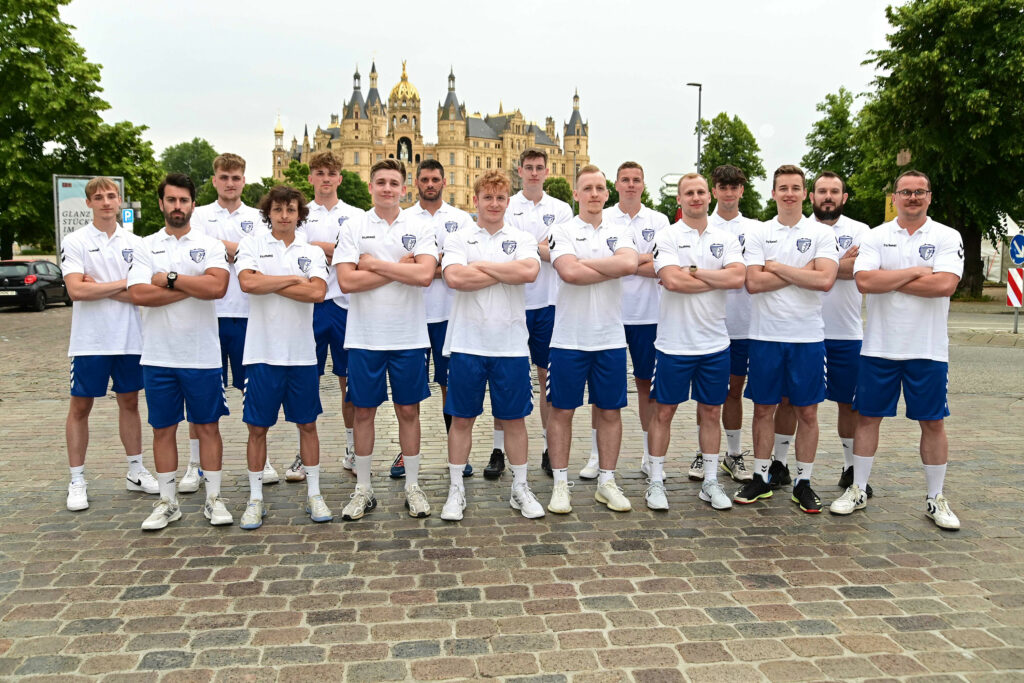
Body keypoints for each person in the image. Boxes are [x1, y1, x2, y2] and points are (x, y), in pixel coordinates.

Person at [830, 170, 964, 530]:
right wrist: (918, 272)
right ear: (895, 197)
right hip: (879, 347)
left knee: (932, 422)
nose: (913, 198)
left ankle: (935, 498)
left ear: (930, 197)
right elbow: (864, 281)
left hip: (928, 349)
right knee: (868, 418)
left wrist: (892, 280)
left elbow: (945, 285)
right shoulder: (876, 236)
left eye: (920, 192)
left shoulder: (946, 236)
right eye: (906, 192)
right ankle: (857, 489)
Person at [335, 159, 438, 520]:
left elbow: (425, 274)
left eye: (394, 183)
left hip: (408, 335)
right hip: (365, 336)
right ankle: (363, 488)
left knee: (409, 410)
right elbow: (347, 282)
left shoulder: (419, 226)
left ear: (404, 189)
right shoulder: (354, 226)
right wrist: (400, 268)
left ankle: (412, 486)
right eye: (381, 182)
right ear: (370, 187)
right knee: (363, 411)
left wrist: (374, 265)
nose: (388, 189)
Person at [127, 173, 231, 530]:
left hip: (201, 354)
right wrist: (193, 285)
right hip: (158, 355)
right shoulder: (145, 245)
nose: (177, 206)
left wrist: (169, 279)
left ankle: (214, 499)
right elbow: (139, 294)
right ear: (161, 203)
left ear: (192, 205)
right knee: (163, 429)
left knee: (207, 427)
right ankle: (168, 502)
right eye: (171, 200)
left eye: (183, 201)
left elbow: (218, 286)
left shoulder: (210, 243)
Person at [438, 170, 543, 520]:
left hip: (511, 345)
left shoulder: (522, 237)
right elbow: (454, 278)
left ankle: (521, 487)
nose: (494, 204)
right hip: (468, 343)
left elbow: (529, 273)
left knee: (514, 420)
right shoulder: (459, 238)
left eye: (500, 198)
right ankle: (456, 490)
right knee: (462, 420)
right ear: (476, 200)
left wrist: (481, 266)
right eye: (488, 197)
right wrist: (503, 269)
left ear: (507, 202)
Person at [733, 165, 838, 513]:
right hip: (765, 336)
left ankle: (803, 481)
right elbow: (753, 283)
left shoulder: (821, 233)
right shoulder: (760, 233)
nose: (789, 193)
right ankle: (761, 476)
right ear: (773, 193)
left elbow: (824, 281)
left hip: (807, 338)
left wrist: (775, 267)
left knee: (807, 411)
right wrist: (802, 272)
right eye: (783, 187)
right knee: (763, 408)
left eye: (796, 187)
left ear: (805, 193)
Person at [645, 174, 745, 511]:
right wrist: (711, 278)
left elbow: (737, 278)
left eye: (701, 191)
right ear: (679, 199)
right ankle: (656, 482)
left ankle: (711, 482)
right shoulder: (667, 236)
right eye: (689, 193)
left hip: (715, 342)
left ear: (709, 196)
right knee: (664, 412)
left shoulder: (725, 237)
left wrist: (695, 272)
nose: (697, 197)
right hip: (674, 343)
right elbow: (671, 281)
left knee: (711, 412)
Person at [235, 185, 331, 528]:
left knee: (307, 424)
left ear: (300, 213)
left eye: (291, 209)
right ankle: (255, 498)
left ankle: (315, 495)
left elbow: (318, 292)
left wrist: (271, 281)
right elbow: (248, 284)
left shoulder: (312, 250)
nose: (285, 215)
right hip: (262, 353)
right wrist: (293, 279)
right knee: (257, 428)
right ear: (269, 213)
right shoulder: (252, 245)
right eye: (278, 210)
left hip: (301, 355)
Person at [546, 165, 638, 514]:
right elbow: (568, 273)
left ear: (607, 193)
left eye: (600, 188)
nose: (595, 194)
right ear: (576, 193)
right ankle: (559, 484)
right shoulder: (562, 229)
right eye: (588, 188)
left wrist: (587, 263)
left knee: (611, 411)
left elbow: (629, 265)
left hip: (610, 338)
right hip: (569, 339)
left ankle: (607, 482)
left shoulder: (621, 229)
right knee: (562, 412)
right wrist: (607, 264)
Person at [61, 177, 156, 510]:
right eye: (98, 197)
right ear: (88, 203)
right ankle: (77, 479)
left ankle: (135, 470)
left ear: (120, 201)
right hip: (90, 340)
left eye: (111, 196)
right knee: (80, 407)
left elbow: (143, 294)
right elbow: (76, 291)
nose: (105, 201)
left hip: (130, 338)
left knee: (129, 403)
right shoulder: (75, 241)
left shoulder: (137, 243)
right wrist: (124, 285)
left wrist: (99, 285)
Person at [185, 153, 273, 492]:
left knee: (255, 392)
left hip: (250, 315)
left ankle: (261, 458)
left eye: (236, 177)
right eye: (224, 177)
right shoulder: (199, 215)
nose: (230, 183)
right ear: (214, 180)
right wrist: (240, 252)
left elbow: (263, 261)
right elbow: (195, 259)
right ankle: (196, 464)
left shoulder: (259, 217)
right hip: (206, 315)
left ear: (244, 181)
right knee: (201, 394)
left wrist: (218, 250)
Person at [582, 161, 668, 481]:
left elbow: (662, 265)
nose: (630, 185)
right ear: (614, 185)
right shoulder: (602, 219)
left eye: (636, 180)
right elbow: (594, 262)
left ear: (643, 185)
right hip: (610, 315)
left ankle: (648, 454)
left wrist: (622, 263)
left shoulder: (658, 221)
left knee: (647, 385)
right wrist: (636, 260)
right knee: (602, 390)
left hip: (648, 316)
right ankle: (595, 455)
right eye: (625, 180)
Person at [393, 159, 474, 479]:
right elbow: (396, 265)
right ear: (415, 182)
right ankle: (405, 453)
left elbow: (465, 265)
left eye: (435, 179)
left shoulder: (460, 218)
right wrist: (439, 265)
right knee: (407, 391)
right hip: (410, 315)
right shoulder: (403, 217)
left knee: (448, 386)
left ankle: (458, 454)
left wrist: (423, 268)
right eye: (424, 179)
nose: (430, 184)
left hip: (448, 314)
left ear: (443, 182)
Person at [501, 149, 574, 476]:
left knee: (546, 378)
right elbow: (502, 252)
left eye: (539, 168)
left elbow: (562, 254)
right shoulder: (507, 204)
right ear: (519, 170)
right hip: (511, 303)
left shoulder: (561, 209)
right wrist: (539, 246)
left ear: (547, 171)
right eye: (528, 167)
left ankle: (547, 447)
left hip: (547, 303)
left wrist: (525, 246)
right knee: (504, 378)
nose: (533, 173)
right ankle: (497, 449)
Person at [296, 151, 364, 481]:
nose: (325, 178)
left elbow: (360, 257)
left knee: (347, 383)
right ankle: (302, 452)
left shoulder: (355, 216)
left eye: (331, 173)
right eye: (319, 172)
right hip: (308, 305)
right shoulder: (297, 214)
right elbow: (293, 254)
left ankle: (352, 449)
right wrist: (333, 248)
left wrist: (316, 246)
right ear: (310, 178)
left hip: (343, 305)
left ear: (340, 178)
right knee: (304, 381)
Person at [700, 165, 759, 484]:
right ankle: (703, 454)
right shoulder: (698, 225)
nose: (729, 192)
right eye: (723, 186)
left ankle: (734, 455)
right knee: (707, 396)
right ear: (714, 190)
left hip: (745, 324)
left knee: (735, 392)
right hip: (706, 324)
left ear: (742, 191)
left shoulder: (755, 229)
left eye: (735, 186)